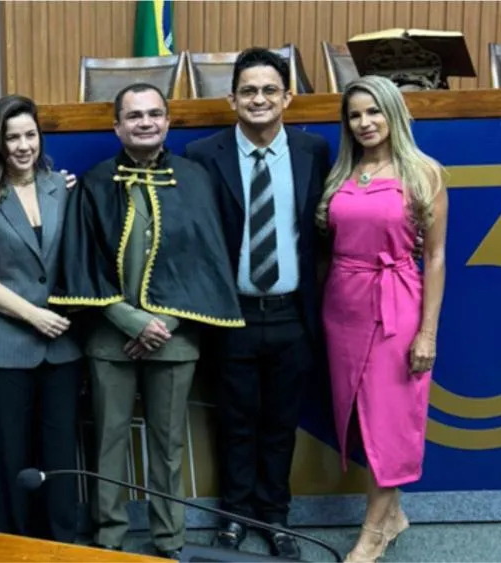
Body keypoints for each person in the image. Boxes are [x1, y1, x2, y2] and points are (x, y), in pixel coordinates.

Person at [53, 83, 243, 558]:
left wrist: (162, 325)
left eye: (154, 114)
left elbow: (206, 263)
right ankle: (109, 541)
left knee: (169, 445)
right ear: (117, 125)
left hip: (174, 338)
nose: (145, 122)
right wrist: (128, 320)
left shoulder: (196, 180)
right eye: (134, 115)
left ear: (168, 122)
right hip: (109, 337)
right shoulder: (96, 182)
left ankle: (169, 542)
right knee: (108, 443)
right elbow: (84, 260)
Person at [184, 47, 331, 559]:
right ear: (231, 98)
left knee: (280, 423)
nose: (259, 99)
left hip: (293, 313)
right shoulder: (205, 155)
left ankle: (276, 517)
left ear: (289, 97)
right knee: (235, 421)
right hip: (233, 315)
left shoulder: (315, 151)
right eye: (248, 90)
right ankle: (234, 516)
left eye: (270, 90)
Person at [316, 75, 446, 562]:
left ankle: (374, 532)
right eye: (355, 115)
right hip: (342, 307)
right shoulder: (341, 174)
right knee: (358, 419)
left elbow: (434, 258)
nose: (365, 122)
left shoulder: (424, 172)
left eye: (374, 111)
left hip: (396, 305)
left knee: (391, 420)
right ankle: (392, 513)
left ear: (394, 113)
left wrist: (426, 333)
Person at [0, 95, 81, 542]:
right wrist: (33, 315)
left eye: (30, 135)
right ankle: (7, 543)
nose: (23, 145)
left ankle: (63, 541)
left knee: (60, 453)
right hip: (5, 345)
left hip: (62, 346)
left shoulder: (62, 188)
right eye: (13, 137)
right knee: (8, 453)